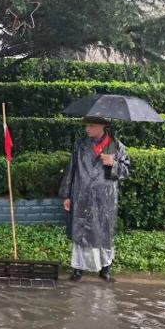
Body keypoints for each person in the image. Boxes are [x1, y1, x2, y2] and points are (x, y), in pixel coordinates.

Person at [58, 116, 131, 282]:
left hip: (105, 198)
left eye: (91, 126)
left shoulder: (116, 146)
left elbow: (126, 171)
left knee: (103, 233)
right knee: (80, 231)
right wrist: (67, 195)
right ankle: (78, 268)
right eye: (86, 126)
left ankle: (105, 269)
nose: (87, 129)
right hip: (81, 194)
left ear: (102, 126)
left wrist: (113, 163)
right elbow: (72, 170)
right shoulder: (79, 145)